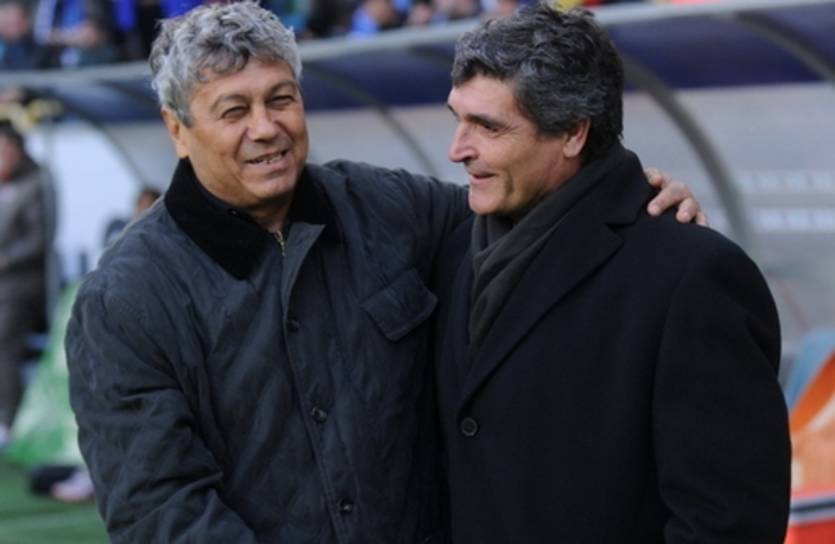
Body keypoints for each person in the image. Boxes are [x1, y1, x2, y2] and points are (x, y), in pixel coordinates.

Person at [65, 2, 702, 542]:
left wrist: (631, 197)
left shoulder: (392, 210)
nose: (266, 128)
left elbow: (532, 206)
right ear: (177, 130)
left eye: (281, 99)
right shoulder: (125, 299)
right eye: (234, 111)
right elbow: (162, 511)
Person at [433, 5, 790, 543]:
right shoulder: (450, 245)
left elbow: (729, 523)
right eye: (457, 119)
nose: (457, 150)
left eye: (488, 127)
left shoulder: (692, 274)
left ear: (573, 133)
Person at [0, 121, 49, 449]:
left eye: (6, 148)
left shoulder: (36, 183)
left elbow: (39, 238)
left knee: (4, 346)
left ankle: (10, 420)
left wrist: (5, 260)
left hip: (21, 286)